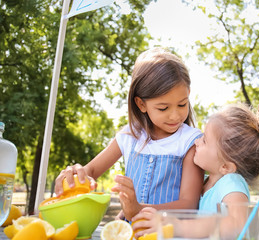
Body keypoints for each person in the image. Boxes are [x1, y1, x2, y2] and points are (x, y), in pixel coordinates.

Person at [54, 47, 204, 220]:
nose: (175, 115)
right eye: (163, 108)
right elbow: (91, 170)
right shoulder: (130, 136)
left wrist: (139, 210)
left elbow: (189, 204)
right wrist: (75, 173)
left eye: (182, 104)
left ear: (188, 95)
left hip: (168, 233)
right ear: (141, 104)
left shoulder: (190, 141)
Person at [130, 100, 259, 239]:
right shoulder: (203, 183)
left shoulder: (231, 183)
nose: (196, 141)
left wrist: (179, 226)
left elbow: (237, 224)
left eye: (204, 140)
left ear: (226, 167)